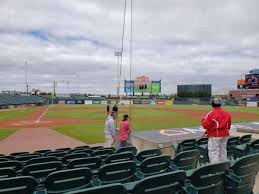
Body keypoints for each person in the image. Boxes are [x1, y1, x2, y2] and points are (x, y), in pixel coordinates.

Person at [202, 98, 231, 163]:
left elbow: (205, 125)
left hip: (215, 135)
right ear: (220, 104)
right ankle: (223, 167)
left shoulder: (211, 113)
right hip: (225, 134)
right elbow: (228, 126)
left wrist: (203, 119)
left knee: (213, 153)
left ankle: (216, 170)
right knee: (223, 151)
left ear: (212, 104)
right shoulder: (227, 113)